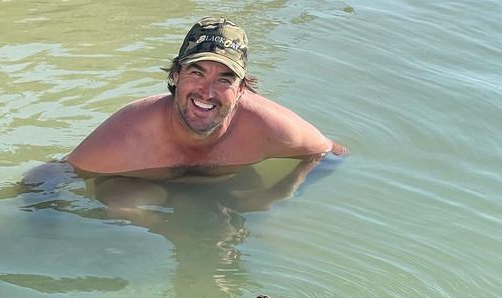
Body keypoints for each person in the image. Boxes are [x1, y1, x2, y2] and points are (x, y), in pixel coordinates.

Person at [66, 16, 347, 182]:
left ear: (241, 90)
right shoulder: (130, 130)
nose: (207, 91)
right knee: (127, 205)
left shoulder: (267, 126)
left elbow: (331, 153)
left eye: (225, 79)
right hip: (138, 192)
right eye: (196, 73)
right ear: (175, 75)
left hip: (222, 193)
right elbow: (53, 176)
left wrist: (280, 195)